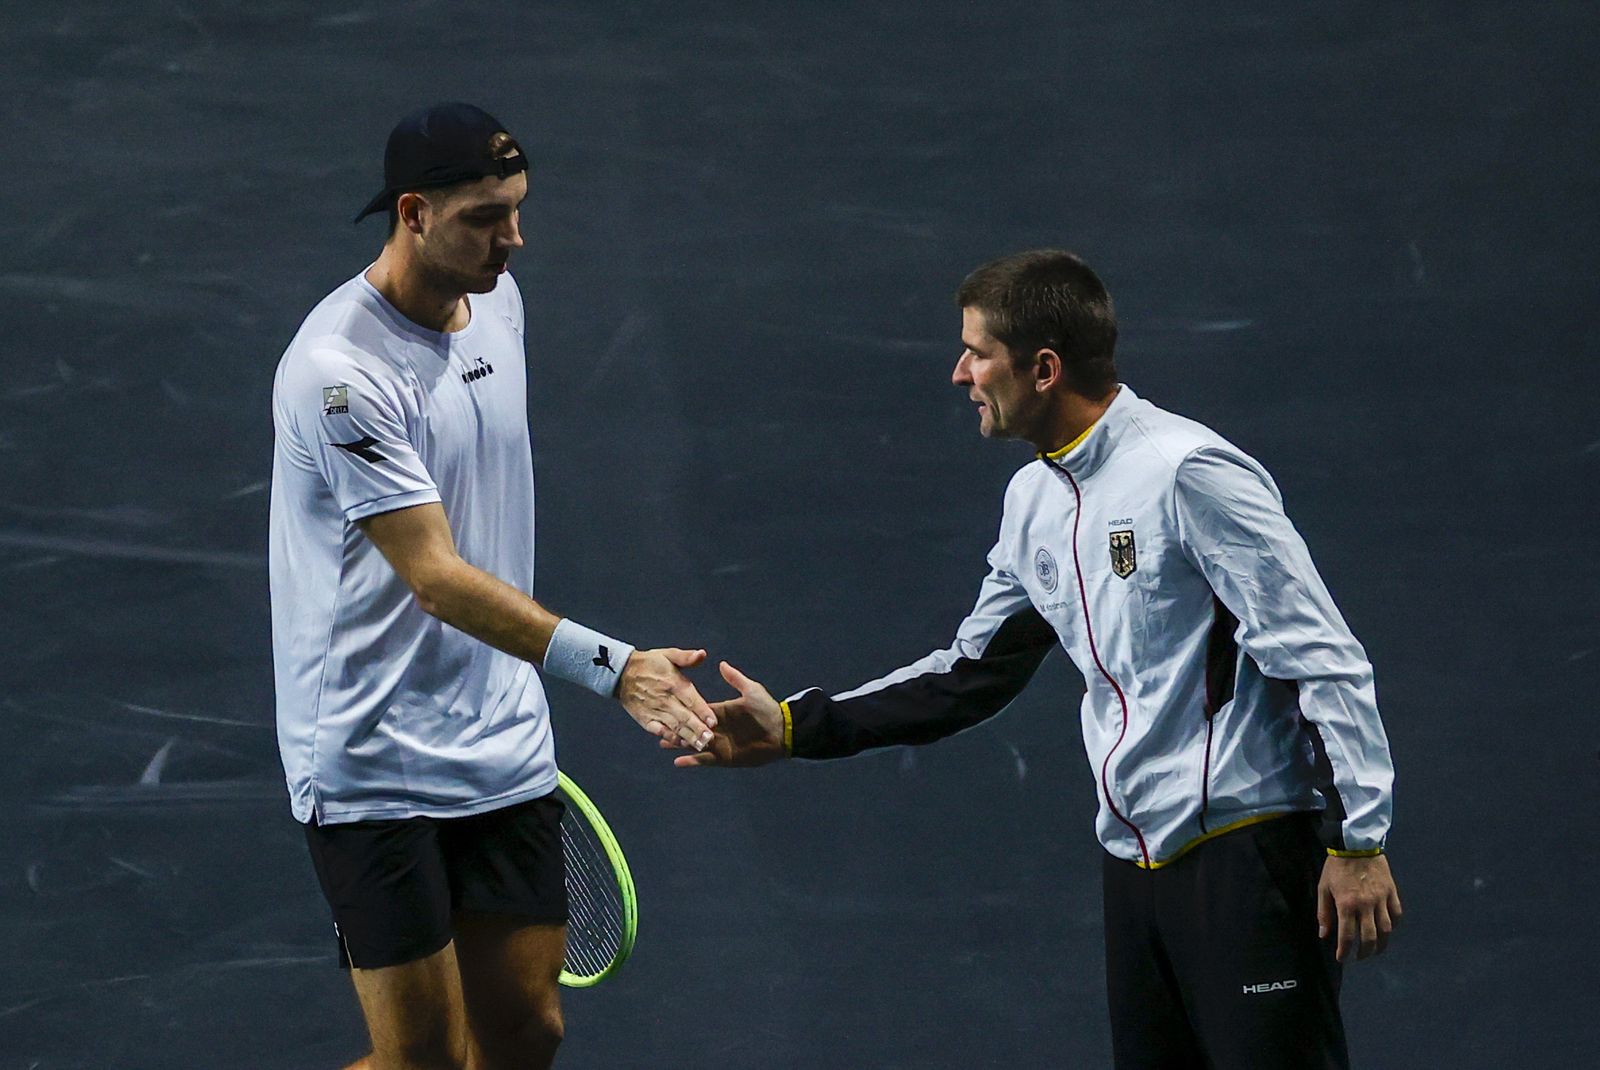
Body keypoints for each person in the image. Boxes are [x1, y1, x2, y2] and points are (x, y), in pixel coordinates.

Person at [673, 249, 1401, 1069]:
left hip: (1249, 855)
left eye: (977, 352)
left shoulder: (1186, 474)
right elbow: (968, 675)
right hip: (1136, 872)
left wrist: (1358, 842)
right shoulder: (1033, 501)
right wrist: (800, 727)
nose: (959, 374)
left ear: (1044, 368)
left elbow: (1323, 658)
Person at [269, 102, 717, 1070]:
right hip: (372, 753)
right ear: (413, 212)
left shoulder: (497, 299)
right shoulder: (338, 375)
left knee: (524, 1032)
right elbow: (432, 576)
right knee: (421, 1056)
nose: (511, 238)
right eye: (484, 216)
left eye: (516, 209)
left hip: (500, 737)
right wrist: (616, 669)